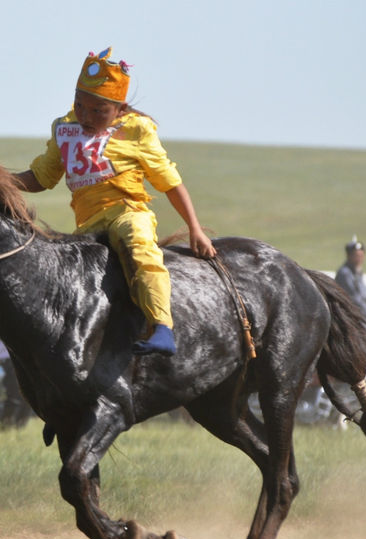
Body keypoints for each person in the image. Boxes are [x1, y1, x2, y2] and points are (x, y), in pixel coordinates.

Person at [13, 47, 216, 356]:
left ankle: (162, 327)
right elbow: (41, 178)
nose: (86, 115)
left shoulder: (136, 130)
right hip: (87, 227)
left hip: (128, 213)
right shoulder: (64, 128)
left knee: (136, 243)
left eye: (98, 111)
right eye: (80, 105)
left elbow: (171, 184)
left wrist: (195, 229)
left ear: (119, 108)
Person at [335, 236, 366, 324]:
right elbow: (355, 299)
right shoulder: (345, 274)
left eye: (361, 255)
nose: (359, 259)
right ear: (349, 256)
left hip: (363, 313)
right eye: (356, 256)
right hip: (351, 317)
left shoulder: (357, 272)